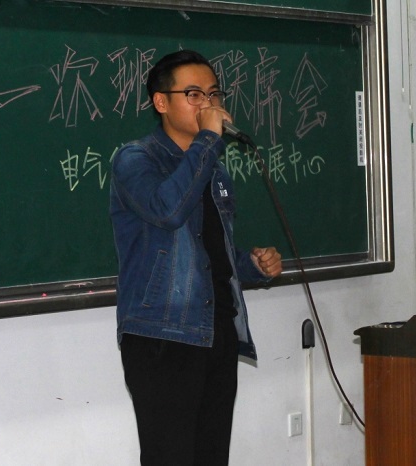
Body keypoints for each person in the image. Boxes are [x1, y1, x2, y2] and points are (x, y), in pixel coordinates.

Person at [109, 49, 283, 466]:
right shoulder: (136, 159)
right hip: (163, 335)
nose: (208, 104)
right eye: (193, 94)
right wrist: (207, 141)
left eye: (213, 93)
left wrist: (252, 265)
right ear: (161, 102)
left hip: (217, 330)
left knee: (211, 456)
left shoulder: (214, 170)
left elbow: (208, 254)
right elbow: (168, 210)